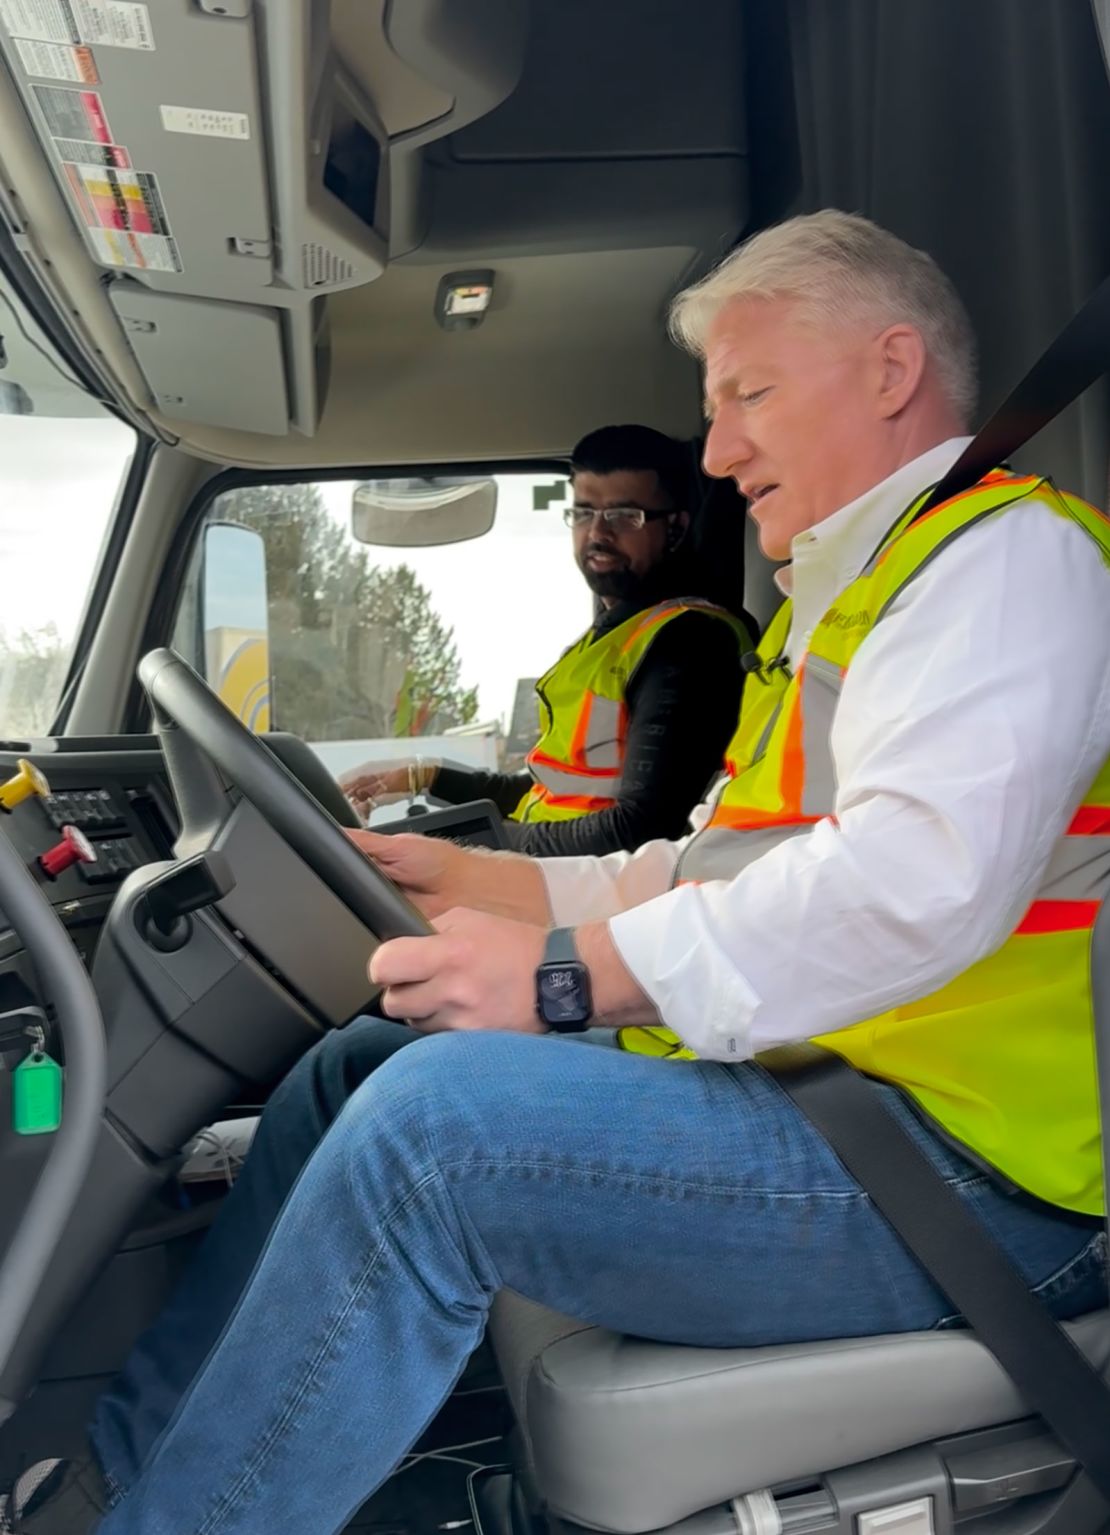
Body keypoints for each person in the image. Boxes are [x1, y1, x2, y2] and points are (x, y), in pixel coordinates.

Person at [14, 210, 1110, 1534]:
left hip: (974, 1174)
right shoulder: (849, 593)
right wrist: (485, 883)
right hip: (836, 1099)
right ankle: (111, 1485)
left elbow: (917, 879)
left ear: (888, 372)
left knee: (436, 1132)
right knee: (357, 1064)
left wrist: (564, 975)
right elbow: (706, 866)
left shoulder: (1001, 564)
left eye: (748, 396)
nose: (715, 452)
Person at [340, 424, 750, 857]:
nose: (598, 533)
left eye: (624, 516)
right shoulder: (611, 638)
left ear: (676, 528)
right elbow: (548, 792)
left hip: (596, 891)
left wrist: (473, 847)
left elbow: (643, 827)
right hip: (558, 874)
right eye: (583, 512)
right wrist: (421, 776)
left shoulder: (689, 641)